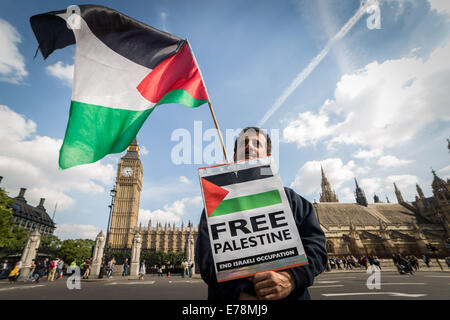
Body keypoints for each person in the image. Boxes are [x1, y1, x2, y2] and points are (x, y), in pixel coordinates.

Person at [195, 127, 328, 300]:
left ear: (267, 156)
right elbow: (207, 261)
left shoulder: (292, 200)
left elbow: (317, 249)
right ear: (234, 157)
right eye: (244, 143)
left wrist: (291, 278)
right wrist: (239, 292)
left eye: (257, 143)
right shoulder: (217, 202)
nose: (250, 146)